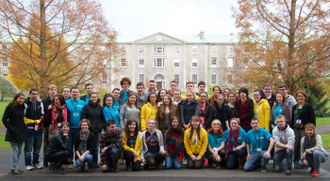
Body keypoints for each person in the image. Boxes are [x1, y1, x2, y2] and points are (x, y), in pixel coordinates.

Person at [2, 93, 28, 175]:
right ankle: (14, 167)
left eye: (23, 99)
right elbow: (4, 119)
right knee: (15, 150)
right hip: (13, 131)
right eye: (20, 98)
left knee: (20, 150)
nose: (21, 100)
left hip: (21, 131)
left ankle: (15, 166)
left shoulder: (22, 107)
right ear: (16, 98)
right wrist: (11, 129)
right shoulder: (11, 106)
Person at [290, 90, 316, 165]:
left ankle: (304, 160)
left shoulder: (308, 106)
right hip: (295, 128)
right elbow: (293, 118)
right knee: (296, 144)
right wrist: (291, 127)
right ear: (296, 98)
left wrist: (312, 128)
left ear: (305, 97)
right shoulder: (295, 107)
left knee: (303, 145)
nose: (300, 97)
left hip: (305, 129)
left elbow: (312, 118)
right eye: (298, 96)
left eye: (302, 96)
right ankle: (296, 161)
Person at [65, 86, 86, 167]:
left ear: (79, 93)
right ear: (71, 93)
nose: (75, 93)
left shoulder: (82, 103)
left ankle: (78, 161)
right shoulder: (66, 102)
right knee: (69, 146)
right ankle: (70, 162)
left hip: (79, 128)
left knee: (78, 146)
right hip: (69, 128)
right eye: (73, 92)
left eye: (76, 92)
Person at [81, 92, 103, 168]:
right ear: (90, 98)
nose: (94, 98)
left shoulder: (100, 107)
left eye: (95, 97)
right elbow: (83, 118)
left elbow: (102, 118)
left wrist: (101, 126)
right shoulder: (86, 107)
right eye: (92, 97)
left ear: (97, 98)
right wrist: (88, 127)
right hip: (89, 130)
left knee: (96, 147)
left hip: (98, 129)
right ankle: (88, 162)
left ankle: (95, 162)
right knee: (89, 147)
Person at [24, 88, 44, 171]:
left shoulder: (40, 104)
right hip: (29, 128)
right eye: (33, 94)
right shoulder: (25, 104)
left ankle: (36, 162)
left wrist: (39, 125)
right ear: (29, 94)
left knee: (37, 147)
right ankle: (28, 164)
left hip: (38, 128)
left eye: (36, 94)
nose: (35, 96)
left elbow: (42, 115)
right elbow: (23, 115)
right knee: (28, 148)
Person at [41, 84, 57, 168]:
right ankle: (45, 160)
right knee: (46, 144)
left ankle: (53, 160)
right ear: (48, 91)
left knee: (54, 143)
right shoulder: (44, 101)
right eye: (51, 89)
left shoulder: (58, 100)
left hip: (55, 126)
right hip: (47, 126)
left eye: (54, 89)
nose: (53, 91)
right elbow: (43, 114)